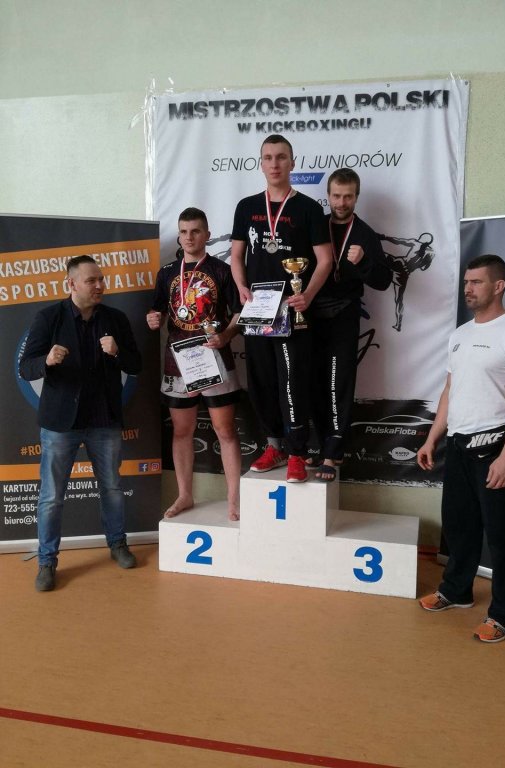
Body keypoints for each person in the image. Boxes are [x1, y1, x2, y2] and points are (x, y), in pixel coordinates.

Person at [417, 255, 505, 643]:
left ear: (499, 286)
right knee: (459, 527)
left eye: (476, 282)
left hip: (494, 446)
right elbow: (450, 390)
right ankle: (457, 590)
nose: (468, 289)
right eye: (466, 282)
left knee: (502, 537)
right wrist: (432, 437)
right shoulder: (460, 334)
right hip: (457, 443)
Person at [19, 255, 142, 592]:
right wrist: (46, 360)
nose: (99, 285)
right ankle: (47, 561)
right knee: (51, 496)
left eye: (101, 279)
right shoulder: (48, 318)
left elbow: (136, 364)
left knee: (112, 488)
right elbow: (25, 368)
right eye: (91, 280)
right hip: (61, 424)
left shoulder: (115, 319)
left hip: (104, 420)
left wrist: (117, 352)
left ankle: (118, 544)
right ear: (71, 284)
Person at [231, 134, 332, 483]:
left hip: (292, 309)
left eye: (281, 157)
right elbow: (236, 255)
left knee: (292, 382)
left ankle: (297, 453)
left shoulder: (308, 209)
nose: (274, 164)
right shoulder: (246, 206)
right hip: (258, 309)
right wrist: (241, 287)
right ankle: (274, 445)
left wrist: (309, 295)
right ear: (261, 163)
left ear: (292, 162)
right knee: (261, 381)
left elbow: (325, 260)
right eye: (268, 157)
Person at [147, 207, 242, 521]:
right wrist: (153, 318)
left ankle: (234, 499)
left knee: (225, 430)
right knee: (181, 431)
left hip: (215, 358)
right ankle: (185, 495)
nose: (189, 237)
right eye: (184, 232)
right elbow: (158, 311)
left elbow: (240, 312)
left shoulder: (222, 270)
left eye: (196, 231)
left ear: (207, 235)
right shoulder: (166, 273)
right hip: (179, 361)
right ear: (179, 235)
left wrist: (226, 335)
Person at [308, 168, 392, 481]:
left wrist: (364, 262)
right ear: (328, 196)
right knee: (313, 383)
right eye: (336, 196)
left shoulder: (365, 233)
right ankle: (322, 447)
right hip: (312, 314)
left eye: (348, 196)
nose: (341, 202)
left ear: (357, 196)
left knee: (339, 382)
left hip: (344, 315)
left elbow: (383, 281)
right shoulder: (316, 227)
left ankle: (334, 452)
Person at [378, 232, 435, 331]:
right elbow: (424, 268)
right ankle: (398, 324)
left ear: (421, 238)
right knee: (398, 300)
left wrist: (384, 237)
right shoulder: (431, 253)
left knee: (377, 253)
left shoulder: (416, 243)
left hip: (399, 264)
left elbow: (398, 241)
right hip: (404, 274)